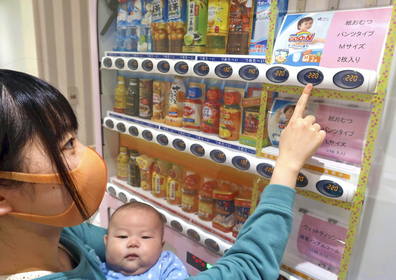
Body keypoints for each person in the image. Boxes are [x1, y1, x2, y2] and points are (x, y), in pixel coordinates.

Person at [0, 69, 325, 280]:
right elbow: (248, 268)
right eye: (67, 145)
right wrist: (286, 167)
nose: (88, 154)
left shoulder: (57, 237)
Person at [101, 201, 189, 279]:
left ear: (161, 246)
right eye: (123, 236)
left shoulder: (167, 265)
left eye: (145, 237)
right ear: (106, 242)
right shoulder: (97, 269)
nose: (133, 243)